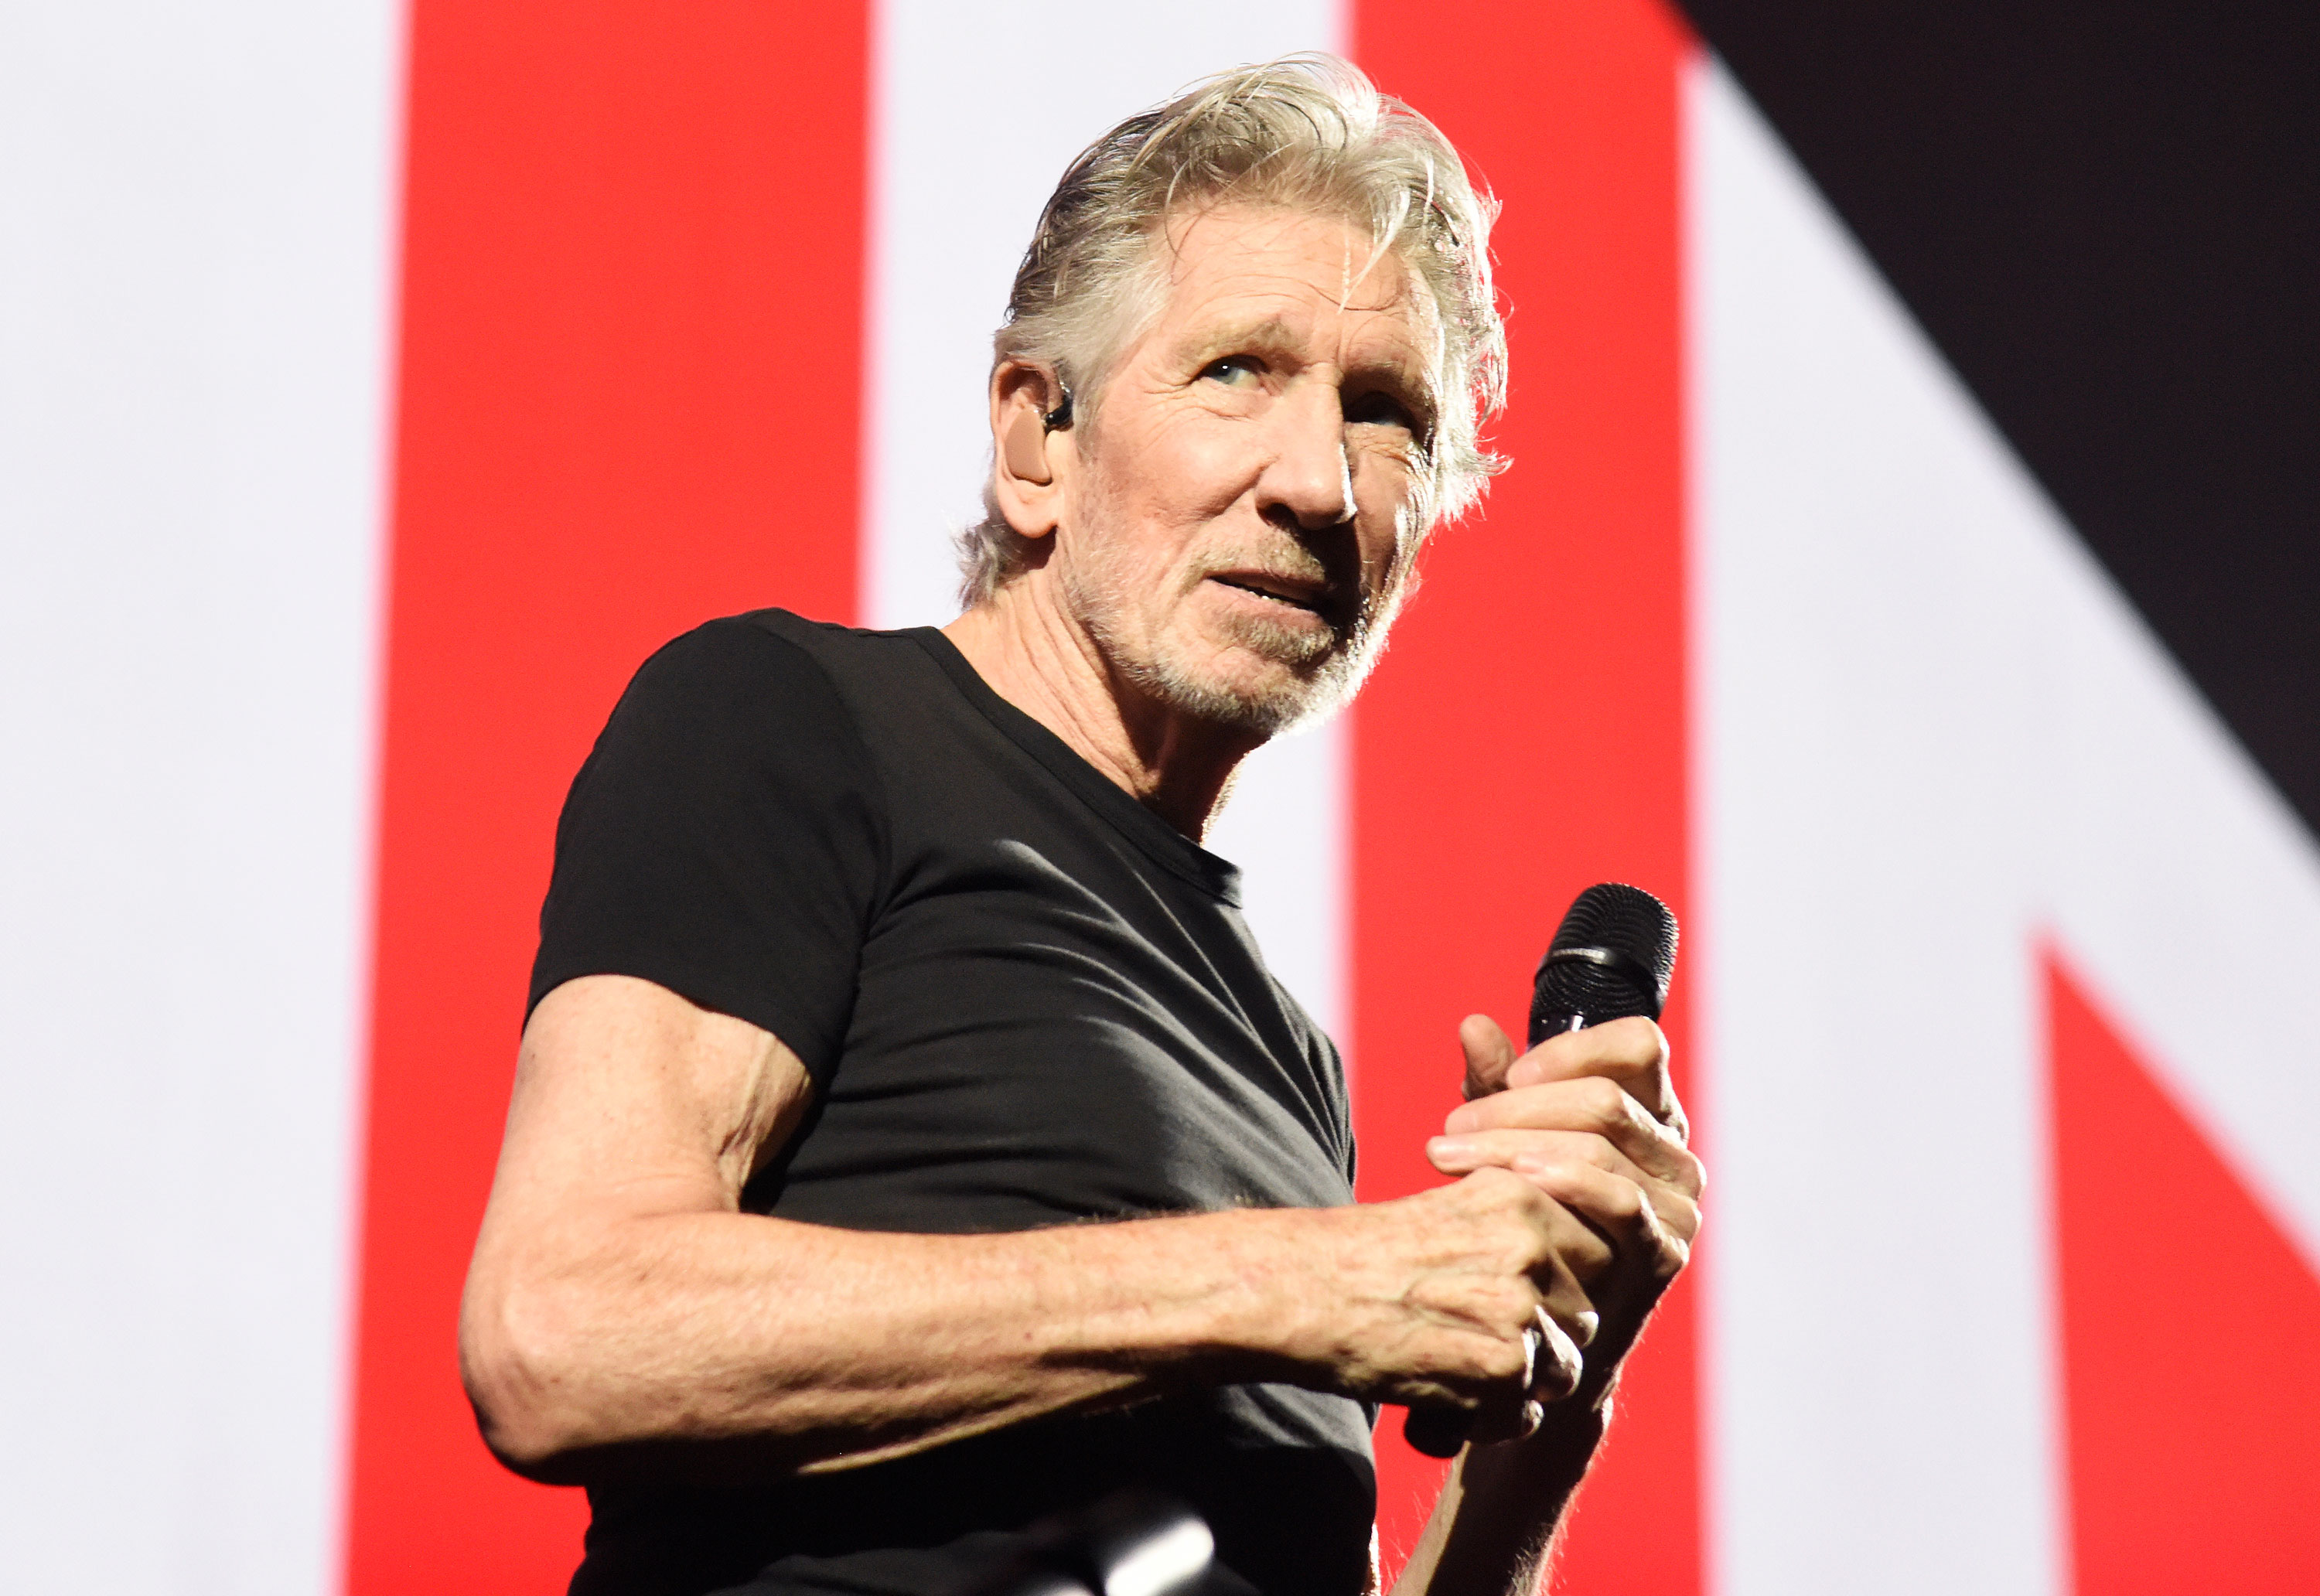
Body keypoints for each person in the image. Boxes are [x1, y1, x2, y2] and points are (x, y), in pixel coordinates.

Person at [460, 55, 1702, 1596]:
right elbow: (560, 1332)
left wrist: (1555, 1401)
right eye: (1239, 370)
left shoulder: (1286, 1058)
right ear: (1037, 441)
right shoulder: (797, 724)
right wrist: (1304, 1279)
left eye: (1383, 414)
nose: (1317, 481)